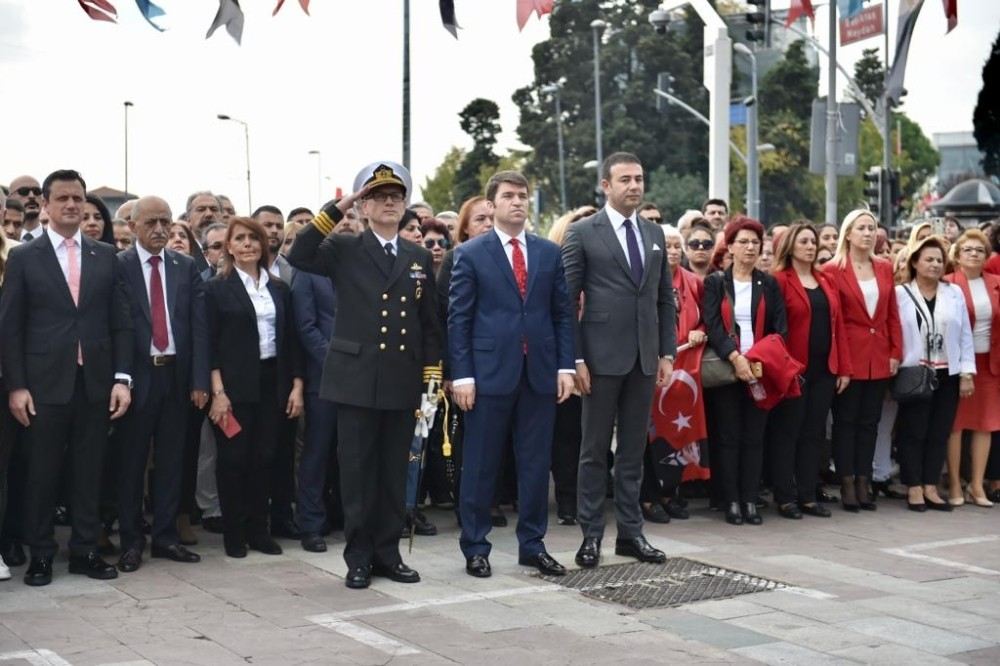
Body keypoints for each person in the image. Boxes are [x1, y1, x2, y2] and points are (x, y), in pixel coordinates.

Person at [287, 161, 442, 589]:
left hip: (401, 377)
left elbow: (429, 321)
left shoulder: (415, 255)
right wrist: (338, 209)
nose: (390, 203)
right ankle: (358, 558)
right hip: (355, 378)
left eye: (397, 197)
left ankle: (388, 554)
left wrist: (432, 375)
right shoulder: (345, 247)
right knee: (357, 473)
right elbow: (299, 253)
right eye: (379, 197)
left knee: (394, 472)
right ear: (365, 205)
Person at [0, 170, 133, 586]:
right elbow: (11, 326)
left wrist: (121, 379)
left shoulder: (105, 255)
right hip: (42, 384)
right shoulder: (24, 256)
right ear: (46, 203)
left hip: (95, 382)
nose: (73, 205)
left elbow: (121, 323)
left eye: (78, 198)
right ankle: (41, 555)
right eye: (64, 199)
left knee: (89, 469)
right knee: (42, 472)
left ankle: (85, 551)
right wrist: (17, 386)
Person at [449, 171, 574, 578]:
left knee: (536, 464)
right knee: (481, 464)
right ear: (492, 204)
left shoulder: (547, 253)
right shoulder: (471, 253)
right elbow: (459, 319)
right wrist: (462, 375)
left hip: (538, 372)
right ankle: (475, 547)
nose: (517, 202)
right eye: (508, 196)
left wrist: (565, 366)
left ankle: (533, 545)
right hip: (487, 374)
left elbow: (561, 314)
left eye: (523, 195)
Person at [562, 152, 676, 568]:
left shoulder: (655, 233)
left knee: (631, 451)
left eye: (639, 178)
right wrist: (574, 358)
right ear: (606, 186)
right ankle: (590, 535)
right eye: (625, 179)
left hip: (644, 358)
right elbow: (567, 300)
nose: (634, 185)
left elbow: (665, 298)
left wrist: (667, 351)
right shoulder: (583, 233)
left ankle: (631, 534)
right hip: (598, 357)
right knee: (593, 451)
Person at [115, 196, 208, 572]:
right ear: (133, 225)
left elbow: (199, 329)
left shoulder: (185, 267)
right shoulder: (117, 266)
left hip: (176, 375)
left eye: (165, 222)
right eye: (151, 222)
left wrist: (200, 380)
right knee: (132, 462)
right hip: (137, 377)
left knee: (173, 461)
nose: (159, 229)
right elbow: (115, 327)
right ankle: (131, 541)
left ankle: (166, 537)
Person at [204, 217, 304, 557]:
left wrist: (297, 386)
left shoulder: (280, 289)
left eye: (254, 239)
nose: (247, 244)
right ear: (229, 247)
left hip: (273, 381)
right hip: (232, 386)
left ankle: (259, 530)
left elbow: (291, 341)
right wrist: (218, 393)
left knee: (265, 457)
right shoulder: (217, 288)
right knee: (233, 458)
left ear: (263, 245)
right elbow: (210, 345)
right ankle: (235, 533)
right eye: (240, 239)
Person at [702, 217, 786, 526]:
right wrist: (736, 357)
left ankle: (751, 499)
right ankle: (731, 500)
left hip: (759, 369)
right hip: (727, 369)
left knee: (755, 437)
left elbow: (779, 327)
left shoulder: (769, 283)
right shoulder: (715, 282)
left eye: (755, 242)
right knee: (729, 437)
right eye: (743, 242)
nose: (750, 248)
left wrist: (757, 360)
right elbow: (711, 325)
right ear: (731, 247)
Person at [768, 224, 852, 519]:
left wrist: (843, 367)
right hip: (794, 370)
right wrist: (784, 367)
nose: (810, 246)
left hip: (824, 369)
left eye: (813, 241)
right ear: (790, 246)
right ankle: (785, 496)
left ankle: (807, 494)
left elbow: (837, 325)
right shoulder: (778, 280)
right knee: (788, 432)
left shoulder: (825, 280)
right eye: (803, 241)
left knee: (813, 433)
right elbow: (774, 329)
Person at [823, 210, 902, 512]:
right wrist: (842, 364)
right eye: (862, 228)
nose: (868, 233)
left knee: (870, 422)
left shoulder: (884, 267)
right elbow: (836, 321)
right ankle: (846, 480)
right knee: (846, 422)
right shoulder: (832, 269)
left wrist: (895, 351)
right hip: (849, 354)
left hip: (879, 354)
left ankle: (864, 479)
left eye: (872, 228)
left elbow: (892, 313)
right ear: (849, 233)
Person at [895, 235, 974, 512]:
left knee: (939, 431)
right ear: (915, 262)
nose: (935, 265)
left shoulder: (954, 293)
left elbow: (965, 334)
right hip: (915, 372)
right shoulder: (901, 294)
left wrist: (967, 372)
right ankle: (913, 486)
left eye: (939, 260)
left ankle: (930, 485)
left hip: (948, 373)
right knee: (913, 431)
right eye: (928, 259)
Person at [642, 224, 704, 523]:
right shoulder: (645, 279)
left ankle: (672, 492)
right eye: (667, 245)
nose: (674, 251)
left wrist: (698, 331)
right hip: (652, 369)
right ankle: (650, 495)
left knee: (681, 432)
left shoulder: (693, 282)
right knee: (652, 436)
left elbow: (710, 318)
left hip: (685, 372)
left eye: (678, 245)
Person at [290, 250, 342, 552]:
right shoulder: (307, 272)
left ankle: (343, 515)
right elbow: (305, 326)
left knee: (349, 453)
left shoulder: (356, 267)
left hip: (359, 377)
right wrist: (336, 362)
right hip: (323, 376)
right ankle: (310, 523)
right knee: (316, 452)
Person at [945, 229, 999, 507]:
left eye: (980, 250)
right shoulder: (948, 283)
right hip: (957, 364)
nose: (974, 254)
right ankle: (955, 483)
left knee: (985, 425)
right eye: (968, 249)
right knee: (955, 425)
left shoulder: (997, 283)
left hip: (990, 363)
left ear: (987, 256)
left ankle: (977, 486)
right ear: (957, 254)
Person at [6, 176, 43, 241]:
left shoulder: (57, 240)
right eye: (24, 191)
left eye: (37, 191)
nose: (32, 196)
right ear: (9, 198)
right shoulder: (3, 240)